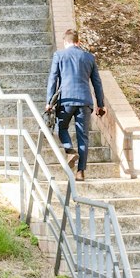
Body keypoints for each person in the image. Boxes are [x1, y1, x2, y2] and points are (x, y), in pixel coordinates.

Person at [46, 28, 105, 181]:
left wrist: (48, 102)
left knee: (61, 127)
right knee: (83, 137)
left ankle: (69, 150)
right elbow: (97, 83)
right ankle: (81, 172)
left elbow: (53, 79)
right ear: (78, 42)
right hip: (85, 101)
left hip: (65, 100)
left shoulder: (59, 55)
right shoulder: (89, 57)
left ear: (65, 42)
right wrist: (101, 104)